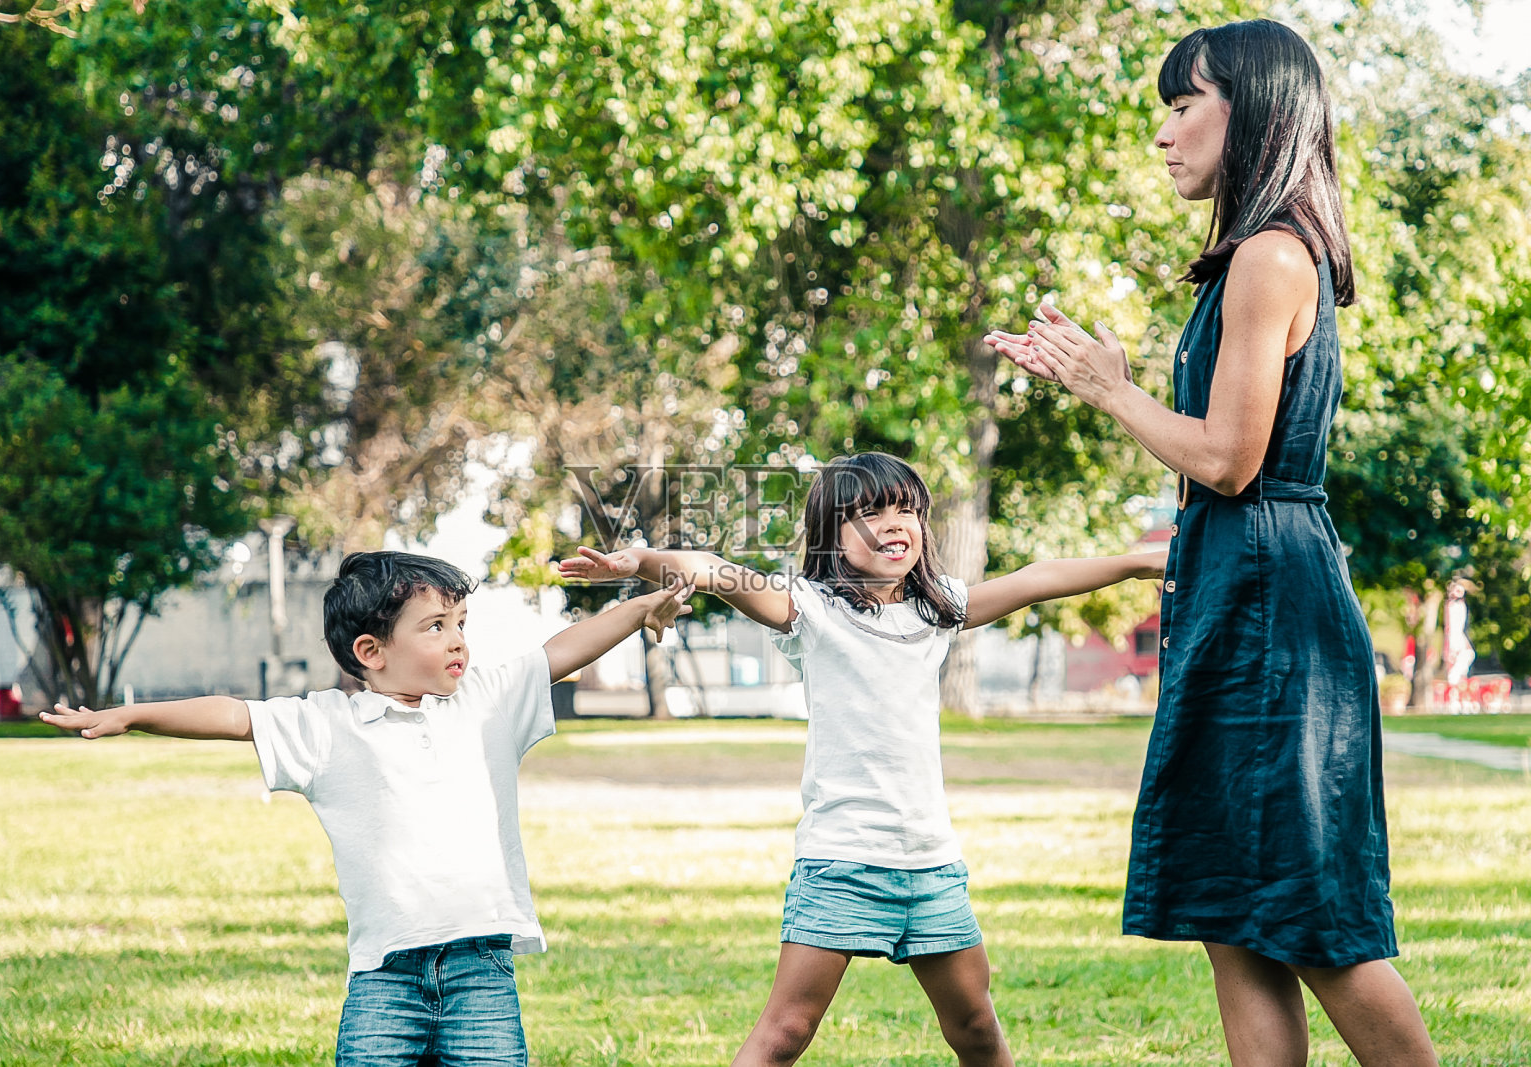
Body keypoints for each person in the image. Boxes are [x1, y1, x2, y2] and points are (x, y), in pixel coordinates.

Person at [983, 20, 1438, 1067]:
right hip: (1236, 588)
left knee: (1314, 915)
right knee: (1231, 909)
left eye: (1182, 105)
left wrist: (1110, 386)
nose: (1163, 134)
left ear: (1253, 111)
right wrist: (1102, 381)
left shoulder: (1270, 257)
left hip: (1272, 603)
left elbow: (1230, 460)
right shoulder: (1242, 262)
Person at [559, 452, 1165, 1067]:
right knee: (786, 1032)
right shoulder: (810, 609)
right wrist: (641, 561)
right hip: (843, 861)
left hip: (931, 865)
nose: (894, 524)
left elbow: (1040, 576)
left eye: (907, 510)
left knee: (977, 1026)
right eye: (870, 513)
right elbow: (715, 570)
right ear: (832, 538)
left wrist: (1141, 562)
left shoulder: (938, 610)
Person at [41, 550, 693, 1067]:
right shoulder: (329, 727)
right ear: (370, 652)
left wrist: (641, 608)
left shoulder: (486, 700)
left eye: (461, 623)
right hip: (387, 976)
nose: (458, 640)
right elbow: (234, 714)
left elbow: (563, 649)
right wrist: (132, 713)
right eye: (436, 626)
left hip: (481, 967)